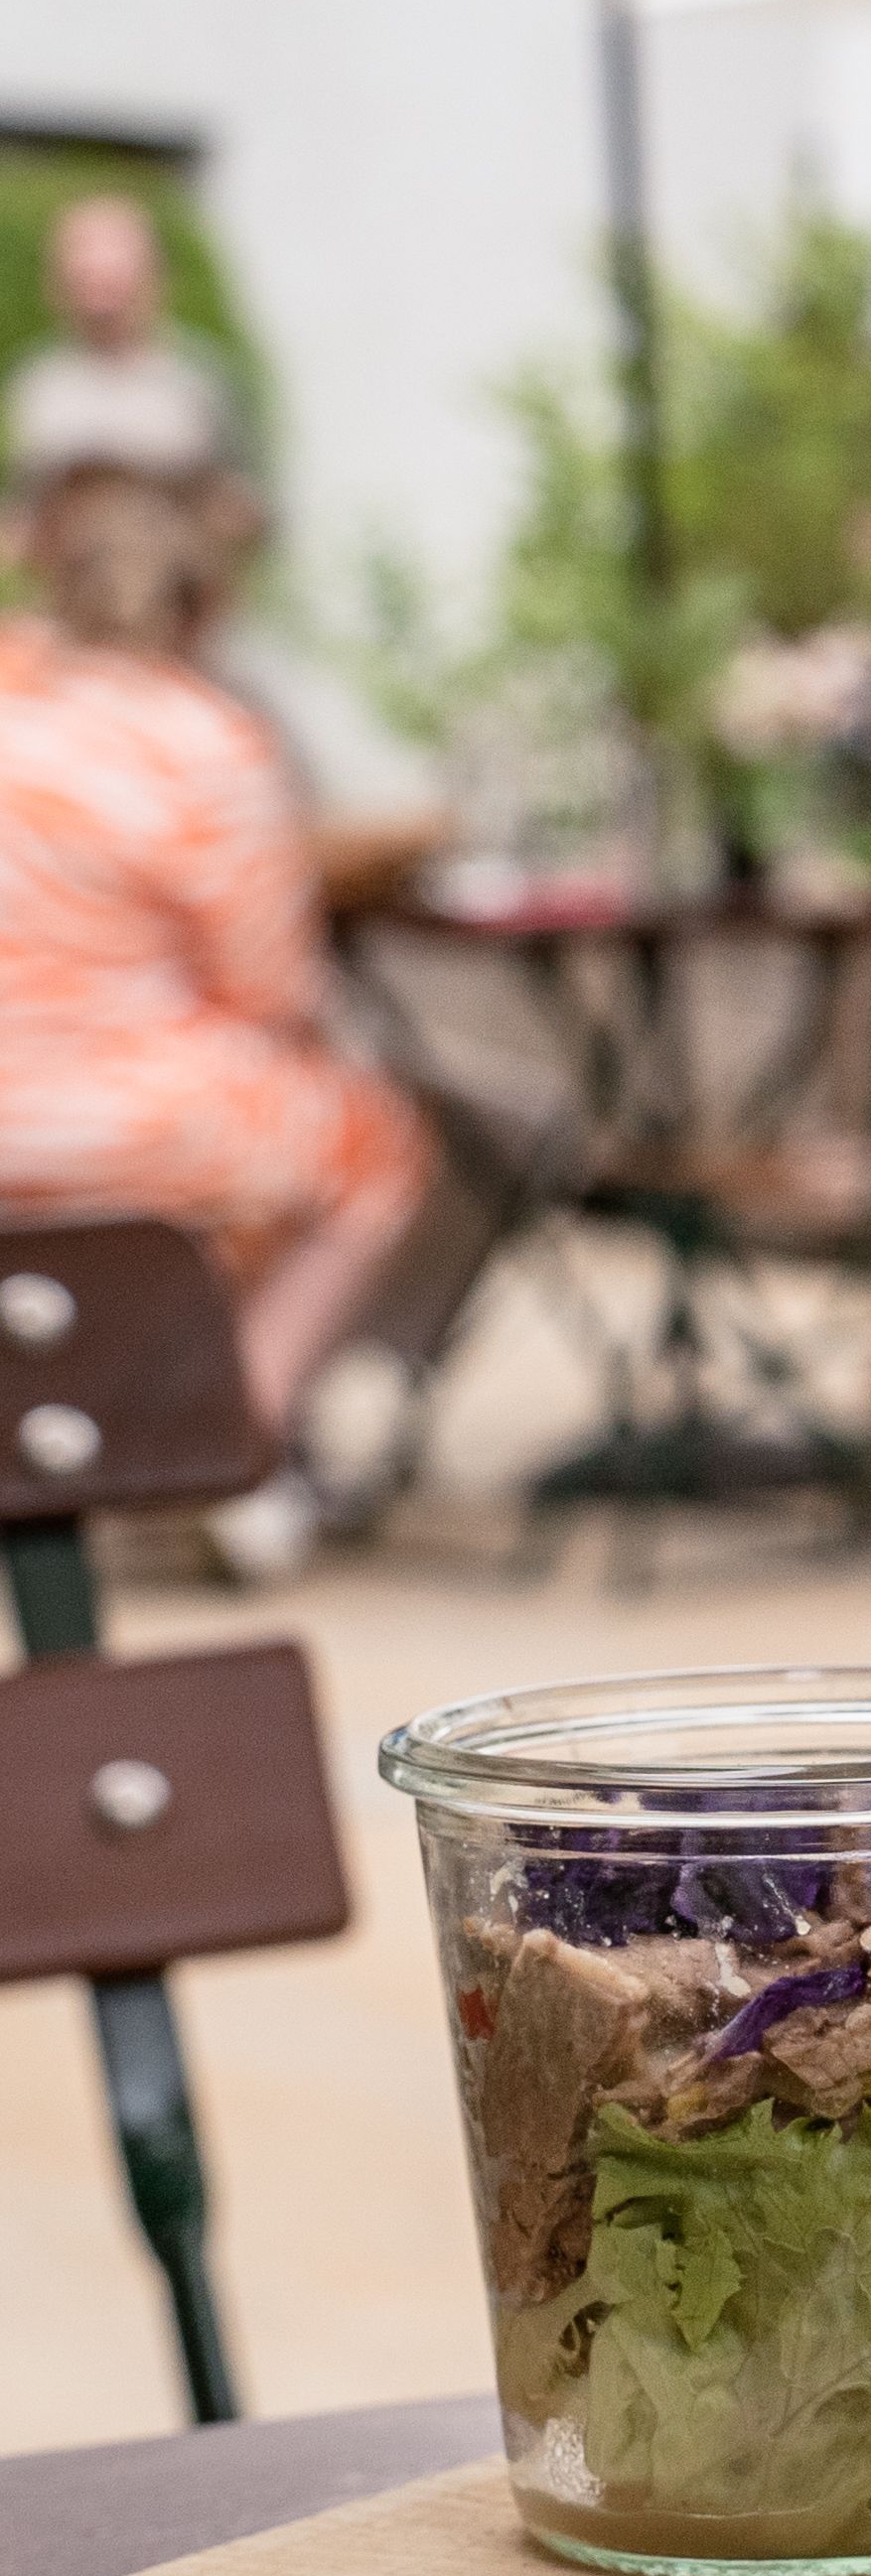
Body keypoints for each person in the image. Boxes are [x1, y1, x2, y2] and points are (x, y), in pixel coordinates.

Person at [0, 463, 429, 1569]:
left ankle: (105, 1425)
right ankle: (229, 1441)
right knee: (371, 1144)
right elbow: (271, 991)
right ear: (208, 603)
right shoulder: (209, 738)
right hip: (120, 1120)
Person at [8, 196, 247, 496]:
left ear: (154, 281)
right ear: (56, 287)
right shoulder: (35, 384)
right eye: (85, 283)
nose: (100, 305)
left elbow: (239, 502)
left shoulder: (197, 381)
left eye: (114, 284)